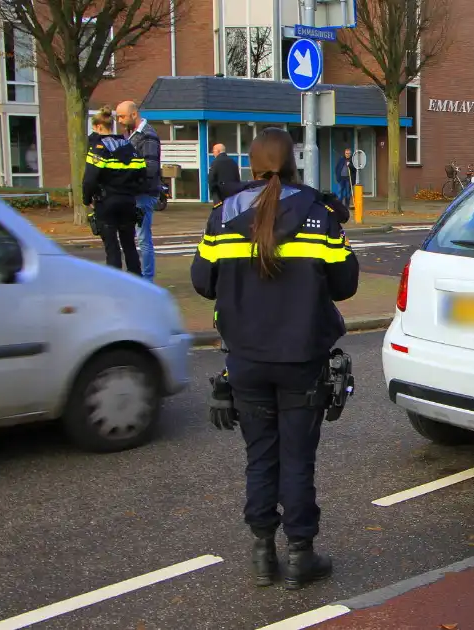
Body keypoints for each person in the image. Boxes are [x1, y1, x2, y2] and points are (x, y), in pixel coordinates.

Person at [190, 127, 359, 590]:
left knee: (260, 458)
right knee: (298, 459)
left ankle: (263, 554)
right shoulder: (319, 212)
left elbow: (202, 281)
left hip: (245, 360)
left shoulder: (223, 214)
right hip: (301, 358)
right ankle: (301, 555)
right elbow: (346, 285)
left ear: (251, 163)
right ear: (292, 163)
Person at [82, 107, 144, 275]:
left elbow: (89, 179)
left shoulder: (98, 149)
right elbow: (142, 173)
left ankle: (117, 286)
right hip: (128, 202)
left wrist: (87, 200)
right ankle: (137, 282)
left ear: (98, 127)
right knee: (129, 245)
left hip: (106, 202)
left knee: (112, 247)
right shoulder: (129, 147)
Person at [117, 100, 161, 281]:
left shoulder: (147, 136)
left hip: (143, 195)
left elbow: (150, 169)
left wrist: (129, 183)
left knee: (143, 238)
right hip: (135, 195)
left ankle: (147, 278)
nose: (119, 120)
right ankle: (139, 275)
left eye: (122, 116)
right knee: (136, 236)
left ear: (134, 114)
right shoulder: (133, 136)